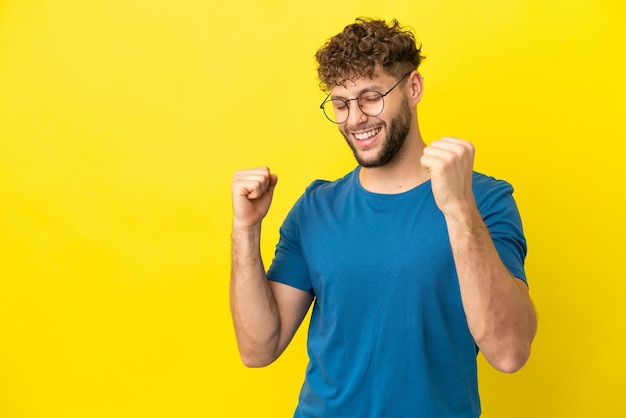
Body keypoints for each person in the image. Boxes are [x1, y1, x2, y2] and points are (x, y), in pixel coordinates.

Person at [230, 17, 537, 418]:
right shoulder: (315, 207)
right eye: (341, 104)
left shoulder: (485, 199)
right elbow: (258, 349)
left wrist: (459, 208)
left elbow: (510, 352)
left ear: (413, 88)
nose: (355, 118)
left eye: (371, 97)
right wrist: (246, 229)